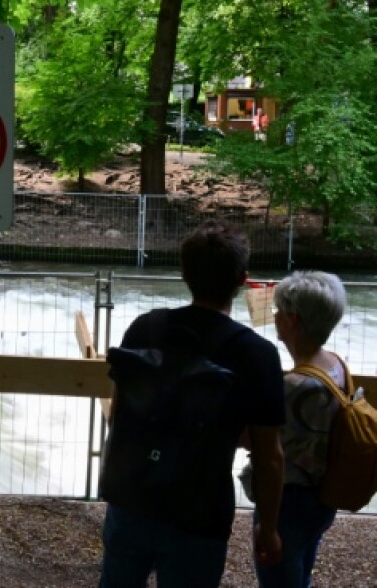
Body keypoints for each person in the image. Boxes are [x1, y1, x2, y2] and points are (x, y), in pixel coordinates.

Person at [99, 219, 286, 587]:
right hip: (200, 510)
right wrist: (268, 527)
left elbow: (118, 411)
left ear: (184, 274)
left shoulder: (145, 327)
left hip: (131, 494)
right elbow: (269, 457)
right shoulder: (257, 354)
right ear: (241, 278)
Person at [240, 271, 348, 587]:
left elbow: (250, 438)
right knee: (299, 573)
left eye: (278, 311)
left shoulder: (293, 386)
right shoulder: (334, 364)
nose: (273, 317)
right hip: (322, 497)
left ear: (292, 320)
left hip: (286, 503)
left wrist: (269, 527)